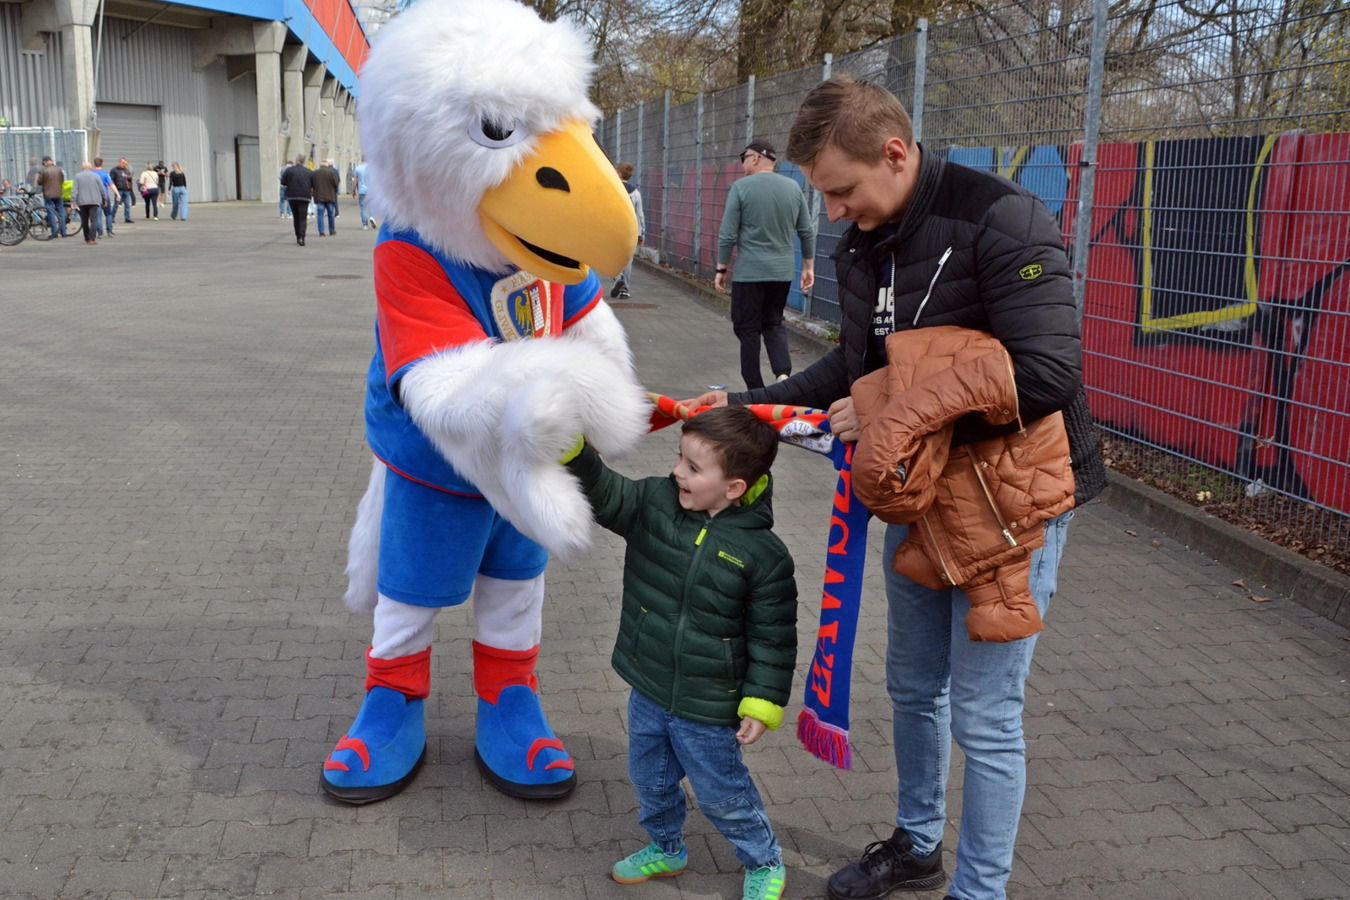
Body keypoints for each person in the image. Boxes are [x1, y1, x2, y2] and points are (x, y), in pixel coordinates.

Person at [684, 77, 1108, 900]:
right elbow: (851, 370)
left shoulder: (1003, 218)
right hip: (920, 496)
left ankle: (979, 891)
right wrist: (744, 405)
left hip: (1013, 505)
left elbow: (1047, 374)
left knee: (985, 715)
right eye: (824, 195)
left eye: (842, 190)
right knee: (914, 687)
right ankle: (917, 844)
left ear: (894, 153)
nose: (833, 211)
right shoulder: (862, 241)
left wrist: (886, 411)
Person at [562, 406, 796, 900]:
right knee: (650, 780)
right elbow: (605, 491)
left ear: (733, 487)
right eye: (679, 458)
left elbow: (773, 638)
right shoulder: (655, 502)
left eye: (693, 467)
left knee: (723, 793)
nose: (677, 472)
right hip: (649, 686)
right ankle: (667, 848)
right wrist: (573, 450)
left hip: (708, 705)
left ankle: (764, 860)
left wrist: (761, 702)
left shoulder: (764, 555)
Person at [716, 139, 816, 390]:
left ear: (756, 158)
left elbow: (727, 234)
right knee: (773, 323)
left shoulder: (741, 188)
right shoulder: (793, 188)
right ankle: (783, 375)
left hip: (750, 273)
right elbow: (806, 231)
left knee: (747, 329)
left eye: (744, 158)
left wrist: (721, 268)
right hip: (781, 273)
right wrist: (808, 266)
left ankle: (755, 389)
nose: (742, 164)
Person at [608, 162, 645, 299]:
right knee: (628, 260)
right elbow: (640, 215)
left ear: (619, 174)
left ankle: (618, 277)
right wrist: (642, 234)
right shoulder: (636, 193)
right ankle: (625, 290)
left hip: (615, 228)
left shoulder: (612, 190)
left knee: (610, 257)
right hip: (631, 231)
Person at [280, 154, 315, 245]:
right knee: (303, 218)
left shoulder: (289, 171)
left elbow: (283, 182)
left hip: (293, 196)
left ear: (296, 160)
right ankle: (302, 237)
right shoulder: (309, 172)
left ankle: (298, 236)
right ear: (304, 161)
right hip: (304, 197)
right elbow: (313, 184)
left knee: (296, 217)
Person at [72, 161, 108, 245]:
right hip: (94, 201)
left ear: (82, 168)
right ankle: (92, 238)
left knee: (84, 220)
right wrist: (104, 200)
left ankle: (87, 237)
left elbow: (74, 190)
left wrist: (73, 201)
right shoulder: (96, 176)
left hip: (82, 202)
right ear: (91, 168)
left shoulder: (77, 176)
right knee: (93, 220)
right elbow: (102, 189)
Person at [36, 156, 66, 238]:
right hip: (59, 193)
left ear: (45, 162)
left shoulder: (43, 170)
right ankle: (63, 232)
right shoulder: (59, 169)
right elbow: (62, 180)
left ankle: (54, 233)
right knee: (61, 213)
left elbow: (39, 182)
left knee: (51, 213)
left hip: (48, 194)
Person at [311, 158, 341, 236]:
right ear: (327, 165)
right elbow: (336, 184)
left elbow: (312, 184)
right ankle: (332, 231)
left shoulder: (315, 173)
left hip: (319, 196)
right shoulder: (331, 173)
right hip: (330, 196)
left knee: (320, 215)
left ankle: (321, 232)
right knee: (331, 214)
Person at [92, 158, 119, 237]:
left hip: (95, 197)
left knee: (98, 215)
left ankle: (100, 232)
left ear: (94, 164)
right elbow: (111, 184)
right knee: (108, 214)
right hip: (105, 196)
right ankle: (109, 231)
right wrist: (117, 194)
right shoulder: (105, 173)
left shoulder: (91, 173)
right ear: (102, 164)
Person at [352, 155, 376, 229]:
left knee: (363, 207)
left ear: (361, 160)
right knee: (372, 205)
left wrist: (353, 190)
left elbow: (355, 181)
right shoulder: (372, 168)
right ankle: (372, 217)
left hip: (361, 190)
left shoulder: (357, 168)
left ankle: (365, 225)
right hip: (371, 190)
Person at [109, 159, 135, 223]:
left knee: (127, 205)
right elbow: (111, 180)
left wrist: (129, 179)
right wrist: (115, 187)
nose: (124, 164)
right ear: (119, 162)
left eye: (125, 163)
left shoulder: (126, 170)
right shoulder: (114, 170)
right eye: (123, 163)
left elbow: (129, 180)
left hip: (126, 190)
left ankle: (127, 218)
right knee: (116, 204)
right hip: (119, 190)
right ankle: (111, 217)